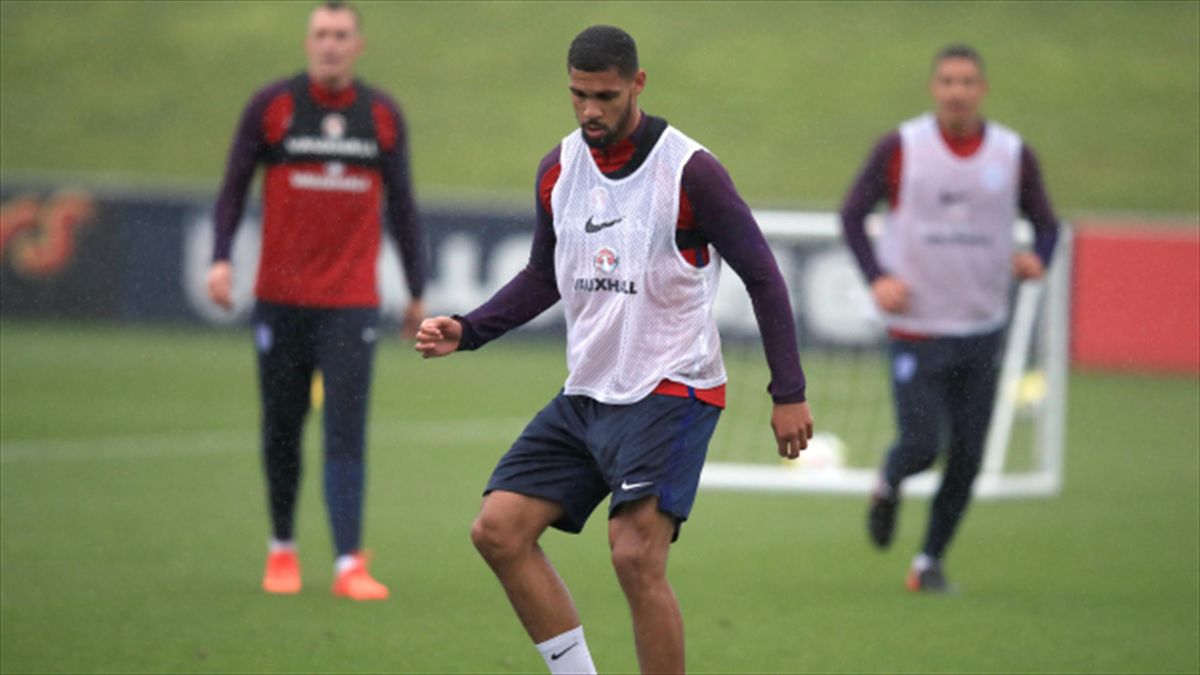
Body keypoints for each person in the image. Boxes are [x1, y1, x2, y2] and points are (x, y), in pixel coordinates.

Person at [415, 24, 813, 675]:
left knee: (634, 556)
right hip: (589, 393)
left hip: (672, 388)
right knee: (498, 530)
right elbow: (544, 274)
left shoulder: (690, 171)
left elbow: (764, 274)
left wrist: (788, 392)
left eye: (605, 95)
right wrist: (471, 328)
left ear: (638, 84)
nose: (591, 110)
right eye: (579, 95)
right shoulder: (558, 169)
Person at [207, 0, 426, 601]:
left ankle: (348, 564)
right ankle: (282, 550)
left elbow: (404, 206)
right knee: (281, 428)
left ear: (358, 44)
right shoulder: (272, 107)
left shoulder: (381, 116)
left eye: (341, 35)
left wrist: (416, 290)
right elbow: (232, 189)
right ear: (309, 42)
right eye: (321, 34)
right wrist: (221, 257)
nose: (330, 44)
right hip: (279, 300)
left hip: (352, 302)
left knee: (346, 431)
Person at [840, 44, 1059, 592]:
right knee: (920, 446)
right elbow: (851, 213)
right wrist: (877, 277)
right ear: (933, 89)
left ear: (982, 89)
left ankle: (928, 562)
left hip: (983, 328)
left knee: (968, 458)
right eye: (947, 81)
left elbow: (1047, 224)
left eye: (967, 82)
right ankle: (889, 480)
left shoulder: (1011, 154)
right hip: (917, 328)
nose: (957, 91)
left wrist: (1039, 260)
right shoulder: (902, 147)